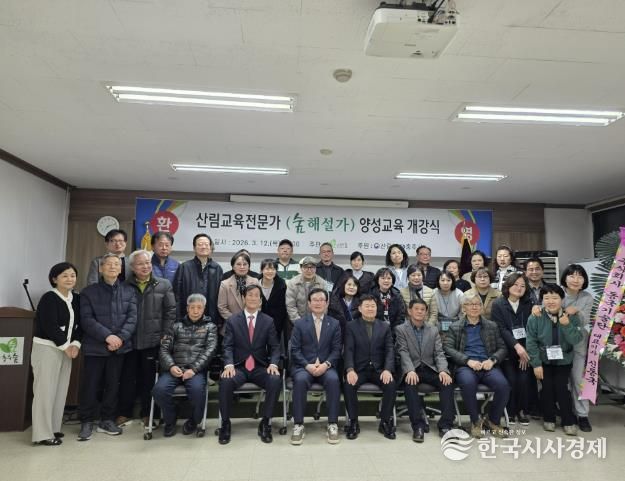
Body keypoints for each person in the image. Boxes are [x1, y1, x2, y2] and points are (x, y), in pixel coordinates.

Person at [78, 254, 137, 441]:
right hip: (95, 347)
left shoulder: (129, 291)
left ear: (121, 269)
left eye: (116, 264)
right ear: (100, 269)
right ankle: (86, 420)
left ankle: (107, 419)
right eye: (109, 264)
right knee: (91, 385)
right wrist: (107, 336)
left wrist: (119, 338)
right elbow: (86, 319)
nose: (113, 267)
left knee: (113, 385)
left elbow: (132, 318)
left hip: (119, 347)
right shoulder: (88, 292)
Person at [116, 250, 176, 429]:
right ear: (132, 267)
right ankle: (123, 413)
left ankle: (149, 414)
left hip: (153, 340)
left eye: (148, 263)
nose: (145, 266)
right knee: (126, 378)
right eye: (140, 264)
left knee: (149, 379)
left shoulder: (163, 284)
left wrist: (166, 333)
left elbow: (170, 312)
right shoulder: (124, 286)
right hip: (129, 340)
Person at [218, 285, 281, 444]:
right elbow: (227, 346)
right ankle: (225, 423)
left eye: (256, 296)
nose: (253, 298)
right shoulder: (233, 320)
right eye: (250, 295)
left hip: (260, 367)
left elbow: (275, 347)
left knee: (274, 380)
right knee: (225, 381)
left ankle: (266, 422)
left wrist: (273, 364)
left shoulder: (268, 321)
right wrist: (228, 365)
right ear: (244, 298)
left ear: (260, 300)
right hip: (238, 367)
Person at [443, 292, 509, 438]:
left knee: (503, 385)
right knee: (467, 383)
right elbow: (448, 348)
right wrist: (467, 361)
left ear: (482, 307)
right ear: (463, 308)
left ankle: (493, 421)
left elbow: (502, 348)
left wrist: (492, 360)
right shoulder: (455, 327)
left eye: (477, 304)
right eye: (470, 304)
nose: (474, 307)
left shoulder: (491, 326)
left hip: (487, 365)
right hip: (466, 366)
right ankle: (475, 421)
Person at [152, 294, 218, 437]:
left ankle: (194, 420)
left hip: (196, 371)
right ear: (187, 308)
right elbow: (164, 349)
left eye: (199, 307)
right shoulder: (176, 326)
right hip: (174, 369)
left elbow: (210, 350)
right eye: (192, 307)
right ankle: (170, 419)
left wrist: (193, 369)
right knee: (159, 390)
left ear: (204, 309)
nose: (195, 311)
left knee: (197, 391)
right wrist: (171, 366)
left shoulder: (210, 327)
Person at [31, 262, 81, 446]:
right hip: (47, 348)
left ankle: (52, 427)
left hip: (67, 349)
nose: (69, 279)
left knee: (60, 390)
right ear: (54, 279)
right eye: (64, 276)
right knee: (44, 391)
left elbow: (80, 324)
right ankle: (42, 434)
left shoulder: (76, 298)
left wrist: (75, 344)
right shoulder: (49, 298)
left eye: (72, 275)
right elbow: (49, 325)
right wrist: (66, 346)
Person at [526, 284, 583, 436]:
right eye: (546, 298)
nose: (551, 301)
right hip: (543, 360)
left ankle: (568, 420)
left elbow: (576, 339)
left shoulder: (571, 316)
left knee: (562, 388)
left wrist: (567, 325)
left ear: (562, 299)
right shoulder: (535, 316)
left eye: (555, 298)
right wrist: (536, 364)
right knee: (547, 389)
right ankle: (549, 418)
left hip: (564, 360)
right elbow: (531, 342)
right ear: (541, 300)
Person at [395, 299, 455, 442]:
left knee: (447, 382)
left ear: (426, 312)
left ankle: (445, 425)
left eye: (423, 309)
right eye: (416, 309)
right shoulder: (401, 329)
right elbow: (403, 351)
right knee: (410, 384)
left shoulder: (433, 330)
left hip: (429, 368)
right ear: (409, 311)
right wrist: (409, 370)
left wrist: (443, 370)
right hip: (412, 368)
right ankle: (418, 426)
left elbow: (439, 353)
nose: (420, 312)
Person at [289, 288, 342, 445]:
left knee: (333, 380)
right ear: (309, 303)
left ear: (327, 303)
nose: (318, 303)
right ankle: (298, 424)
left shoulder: (334, 323)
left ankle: (332, 423)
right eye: (315, 300)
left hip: (326, 366)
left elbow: (337, 349)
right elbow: (295, 350)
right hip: (304, 366)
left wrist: (326, 364)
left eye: (321, 300)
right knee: (300, 381)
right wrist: (307, 365)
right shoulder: (299, 324)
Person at [343, 294, 396, 440]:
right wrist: (350, 369)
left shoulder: (384, 326)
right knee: (348, 385)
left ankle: (385, 421)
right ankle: (353, 422)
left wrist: (387, 369)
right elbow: (348, 350)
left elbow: (390, 350)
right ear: (360, 308)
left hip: (379, 370)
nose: (370, 308)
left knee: (391, 384)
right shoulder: (351, 326)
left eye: (373, 306)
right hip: (359, 369)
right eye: (367, 306)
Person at [490, 272, 533, 426]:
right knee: (511, 379)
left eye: (522, 286)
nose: (519, 288)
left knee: (524, 379)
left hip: (525, 349)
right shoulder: (498, 304)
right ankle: (510, 411)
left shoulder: (529, 304)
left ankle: (522, 410)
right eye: (516, 285)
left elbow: (531, 329)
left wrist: (524, 349)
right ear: (508, 286)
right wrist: (517, 346)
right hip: (506, 349)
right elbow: (501, 329)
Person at [561, 264, 594, 432]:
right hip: (559, 343)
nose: (575, 280)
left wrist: (576, 312)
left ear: (584, 280)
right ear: (565, 278)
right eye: (572, 276)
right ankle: (567, 412)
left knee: (578, 380)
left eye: (580, 276)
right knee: (562, 381)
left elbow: (585, 320)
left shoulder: (587, 297)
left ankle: (582, 415)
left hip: (578, 344)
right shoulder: (557, 292)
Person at [173, 233, 223, 325]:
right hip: (187, 319)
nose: (203, 247)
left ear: (210, 247)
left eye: (206, 244)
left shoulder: (217, 268)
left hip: (211, 319)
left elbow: (221, 297)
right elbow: (177, 295)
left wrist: (219, 320)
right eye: (200, 244)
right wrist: (178, 318)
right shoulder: (184, 267)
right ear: (194, 248)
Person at [217, 252, 260, 328]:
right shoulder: (225, 284)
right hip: (232, 325)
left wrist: (249, 318)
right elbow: (222, 307)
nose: (242, 267)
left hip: (252, 324)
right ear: (233, 267)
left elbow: (259, 304)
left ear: (249, 267)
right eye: (238, 264)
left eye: (245, 264)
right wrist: (237, 320)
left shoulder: (255, 281)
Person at [285, 256, 326, 324]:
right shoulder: (293, 283)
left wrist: (317, 322)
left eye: (312, 267)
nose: (309, 270)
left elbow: (324, 305)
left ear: (315, 269)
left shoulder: (322, 283)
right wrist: (300, 324)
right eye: (306, 267)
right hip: (296, 322)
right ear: (301, 268)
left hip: (317, 322)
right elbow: (290, 306)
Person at [258, 258, 288, 342]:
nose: (270, 271)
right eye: (267, 269)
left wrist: (277, 324)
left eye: (273, 269)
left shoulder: (282, 285)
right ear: (261, 270)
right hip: (258, 323)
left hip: (276, 324)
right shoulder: (255, 283)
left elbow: (282, 308)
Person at [328, 275, 361, 343]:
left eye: (354, 285)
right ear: (343, 286)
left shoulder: (361, 303)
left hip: (356, 338)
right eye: (349, 284)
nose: (351, 287)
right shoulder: (334, 302)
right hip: (337, 338)